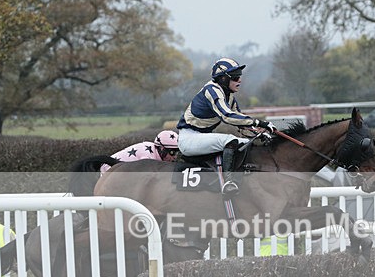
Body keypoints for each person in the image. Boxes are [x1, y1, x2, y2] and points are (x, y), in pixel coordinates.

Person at [176, 57, 276, 194]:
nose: (239, 80)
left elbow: (241, 123)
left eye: (239, 76)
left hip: (200, 137)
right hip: (189, 139)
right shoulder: (212, 90)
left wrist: (260, 132)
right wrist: (259, 122)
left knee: (245, 143)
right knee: (231, 140)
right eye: (235, 77)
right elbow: (227, 116)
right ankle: (228, 182)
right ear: (223, 78)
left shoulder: (229, 97)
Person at [100, 130, 180, 174]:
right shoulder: (148, 157)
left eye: (177, 153)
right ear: (162, 149)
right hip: (107, 173)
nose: (174, 157)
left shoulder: (152, 150)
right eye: (172, 152)